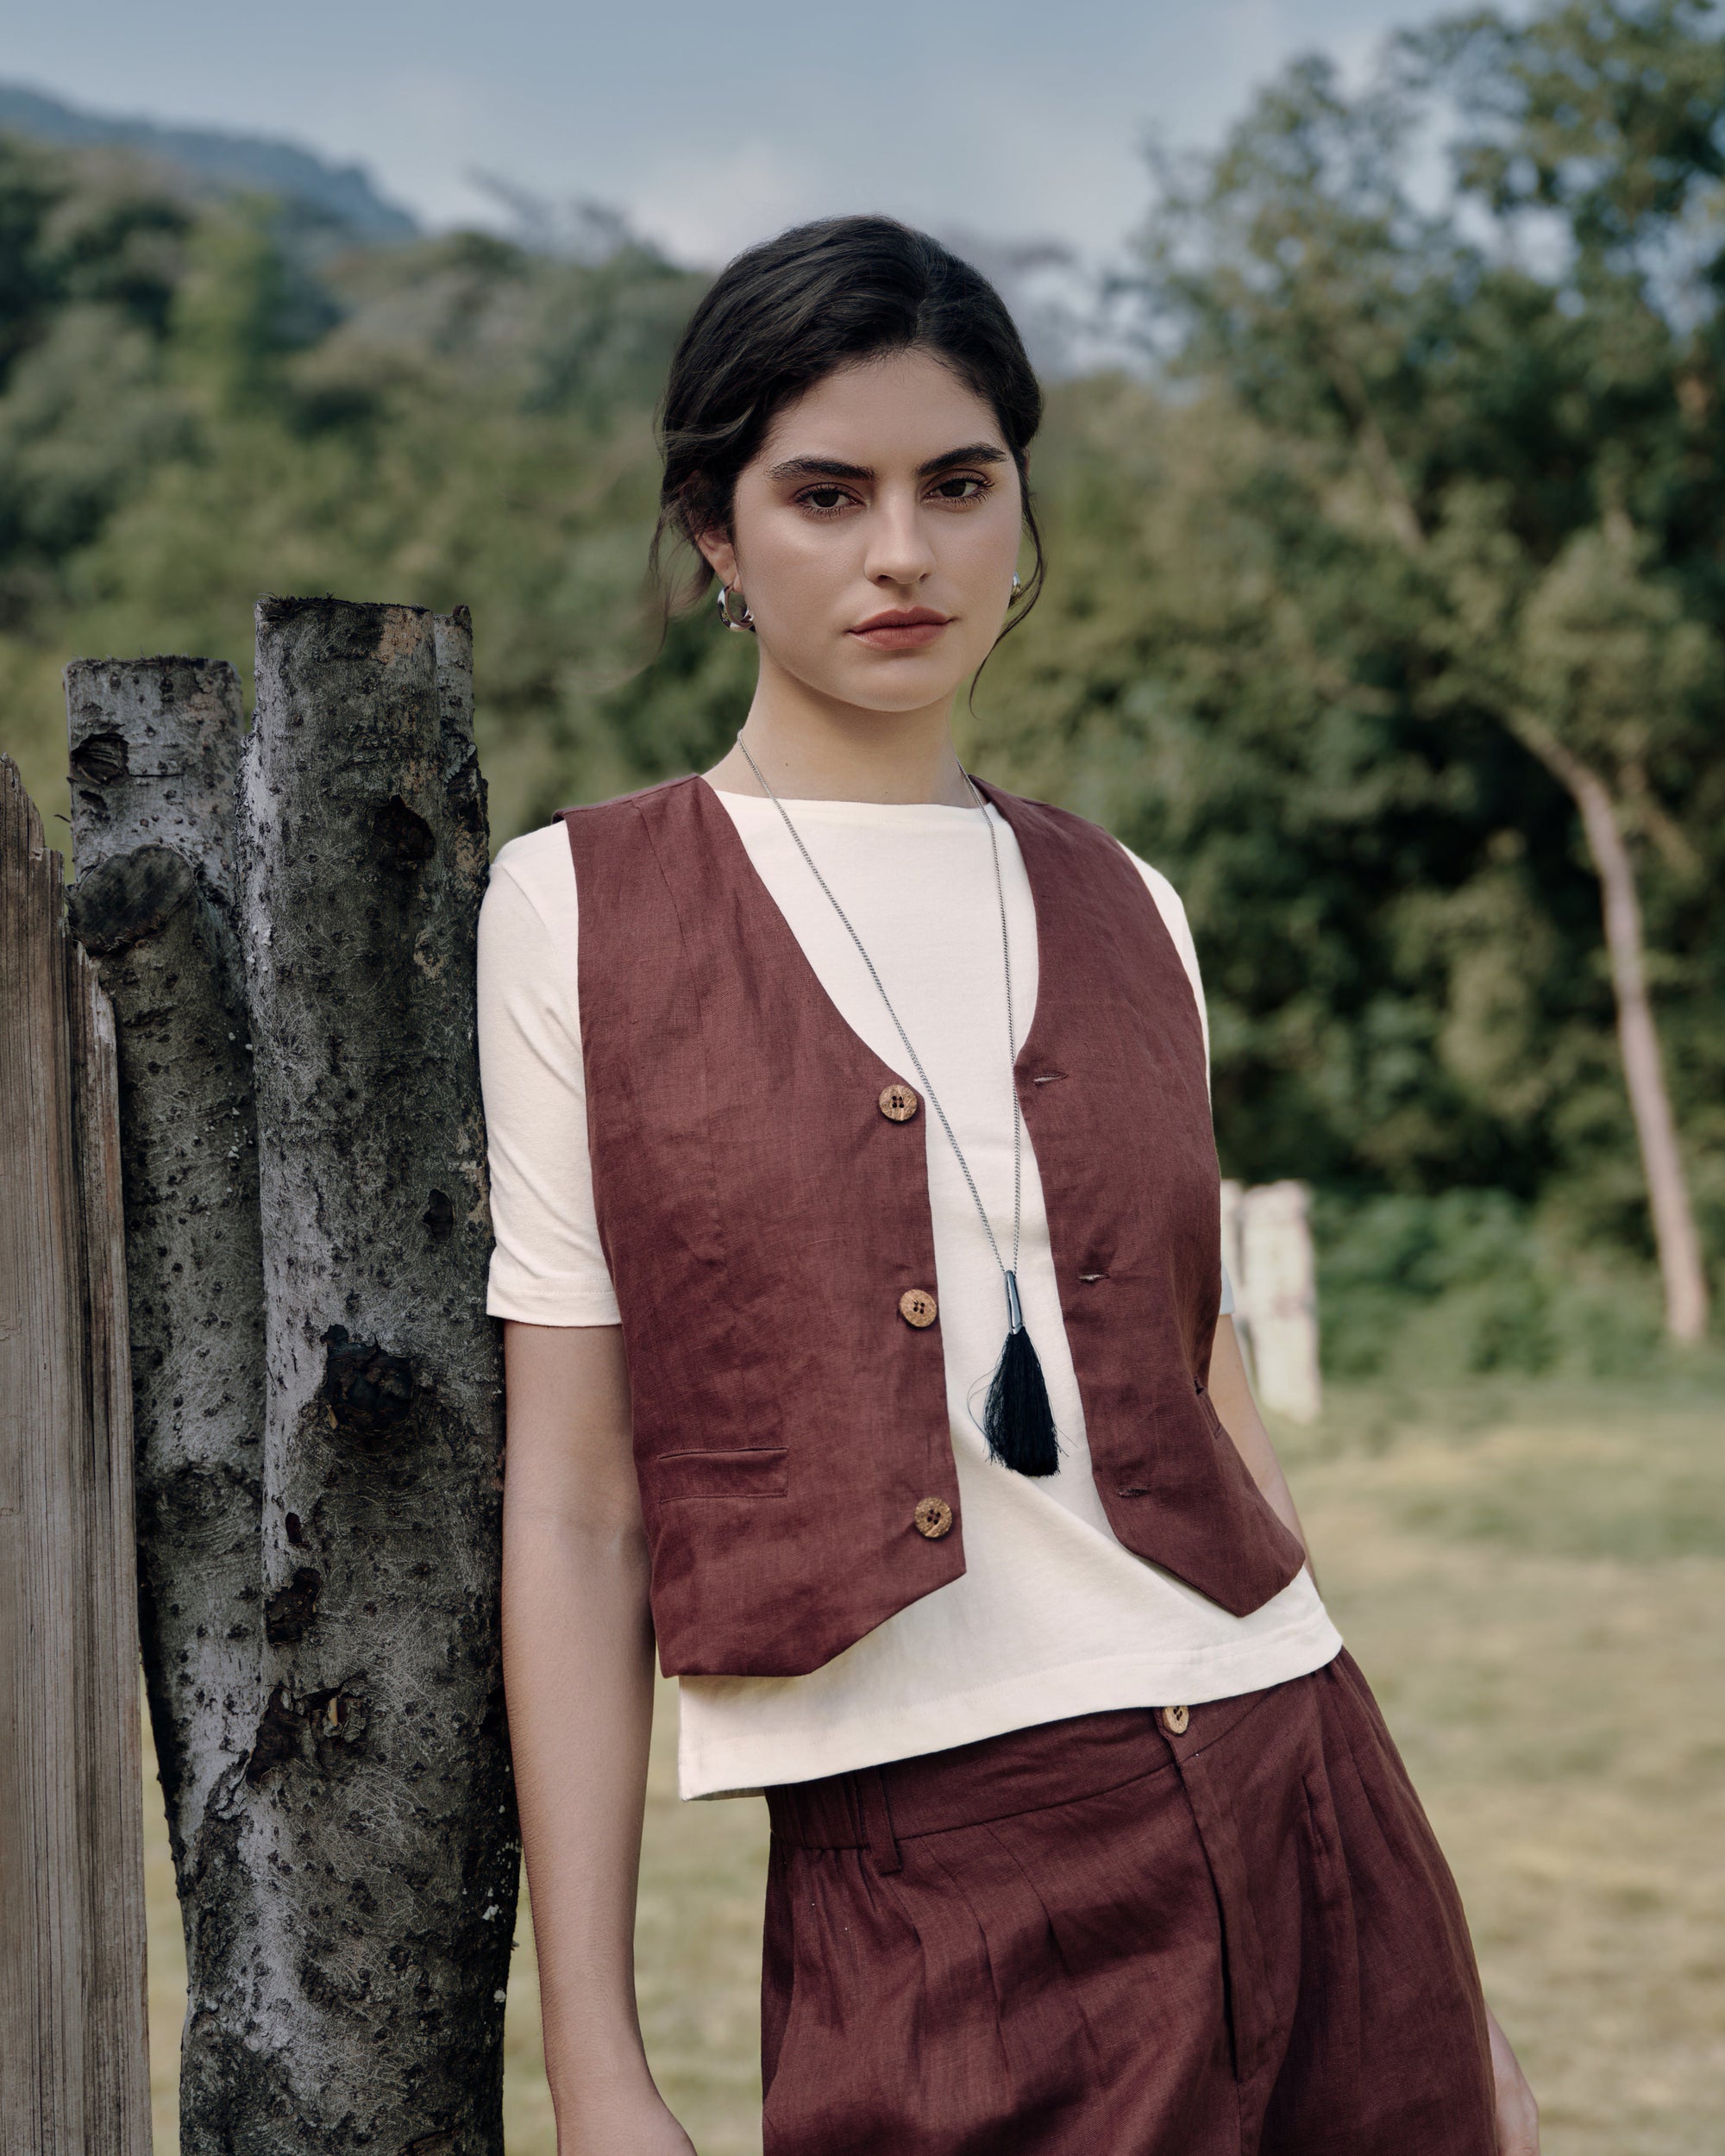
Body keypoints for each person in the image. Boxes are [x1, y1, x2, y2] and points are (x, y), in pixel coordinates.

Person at [479, 215, 1540, 2156]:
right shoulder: (580, 911)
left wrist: (1453, 1980)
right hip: (935, 1867)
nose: (906, 553)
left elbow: (1221, 1432)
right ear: (717, 531)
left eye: (958, 485)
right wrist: (596, 2059)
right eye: (828, 493)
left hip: (1305, 1794)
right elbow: (570, 1498)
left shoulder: (1127, 900)